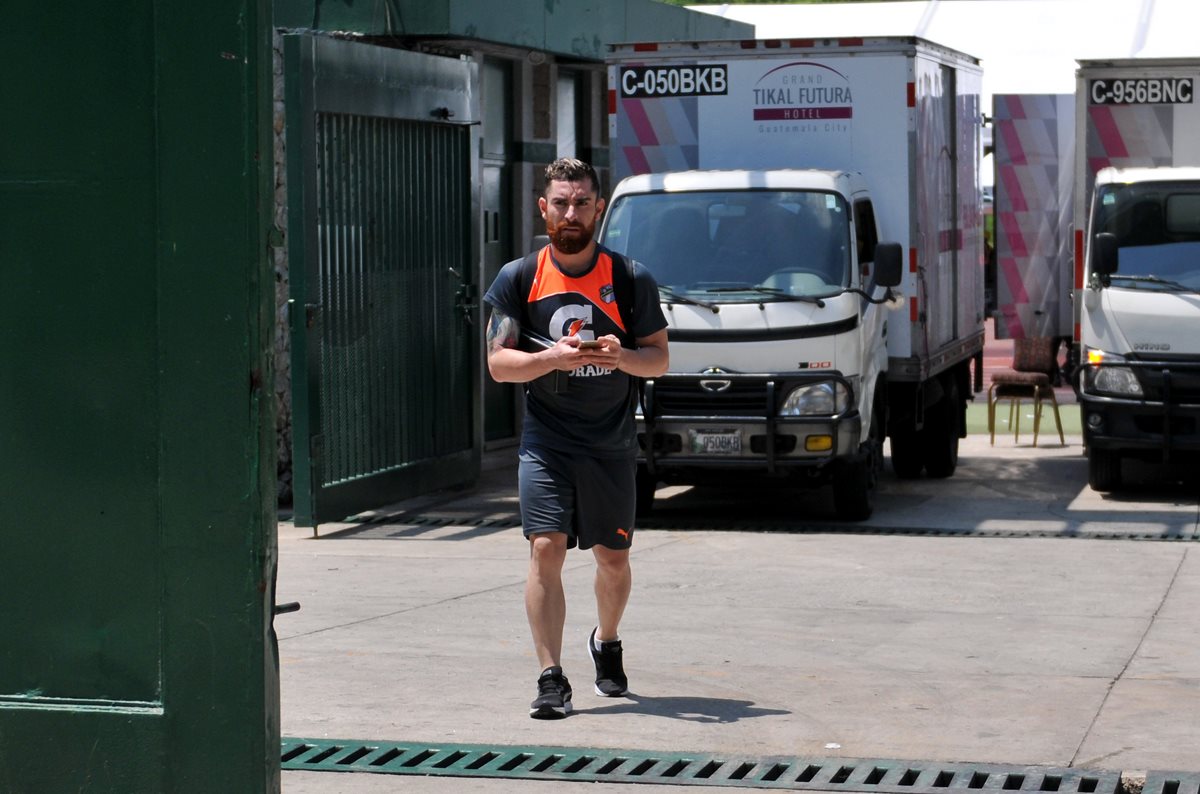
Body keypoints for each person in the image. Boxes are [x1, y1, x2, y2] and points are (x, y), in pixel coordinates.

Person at [483, 158, 669, 719]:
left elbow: (658, 360)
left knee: (613, 559)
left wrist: (624, 356)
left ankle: (606, 641)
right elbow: (498, 363)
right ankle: (550, 678)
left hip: (610, 442)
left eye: (581, 203)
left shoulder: (630, 277)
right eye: (560, 203)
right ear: (543, 209)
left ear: (598, 208)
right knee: (546, 548)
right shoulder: (518, 278)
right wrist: (550, 359)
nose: (570, 213)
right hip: (548, 439)